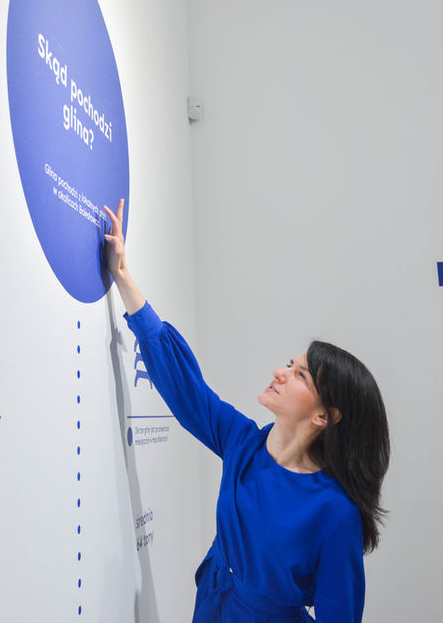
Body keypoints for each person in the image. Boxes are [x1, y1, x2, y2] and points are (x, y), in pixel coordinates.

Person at [103, 199, 390, 623]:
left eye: (299, 375)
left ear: (324, 416)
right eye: (289, 364)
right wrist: (123, 275)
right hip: (212, 609)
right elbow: (186, 388)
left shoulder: (336, 513)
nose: (280, 372)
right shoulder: (243, 443)